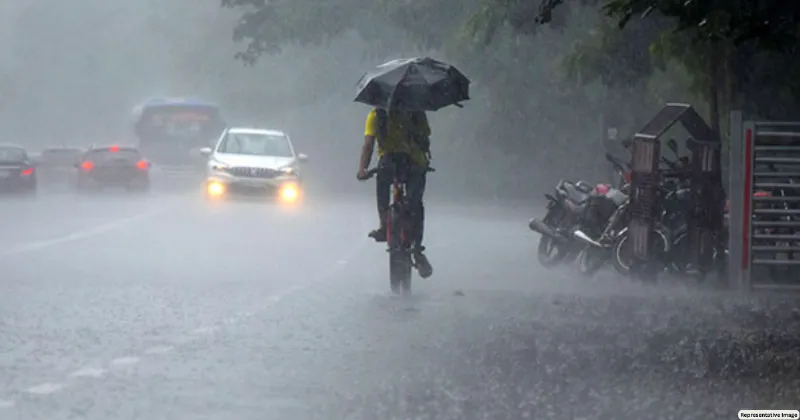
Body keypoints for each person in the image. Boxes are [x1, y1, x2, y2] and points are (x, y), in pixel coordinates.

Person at [357, 107, 433, 278]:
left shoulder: (376, 115)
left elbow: (368, 145)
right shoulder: (417, 112)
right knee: (415, 203)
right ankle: (417, 249)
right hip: (414, 164)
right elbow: (425, 138)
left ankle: (384, 223)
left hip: (389, 163)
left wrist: (362, 169)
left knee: (382, 185)